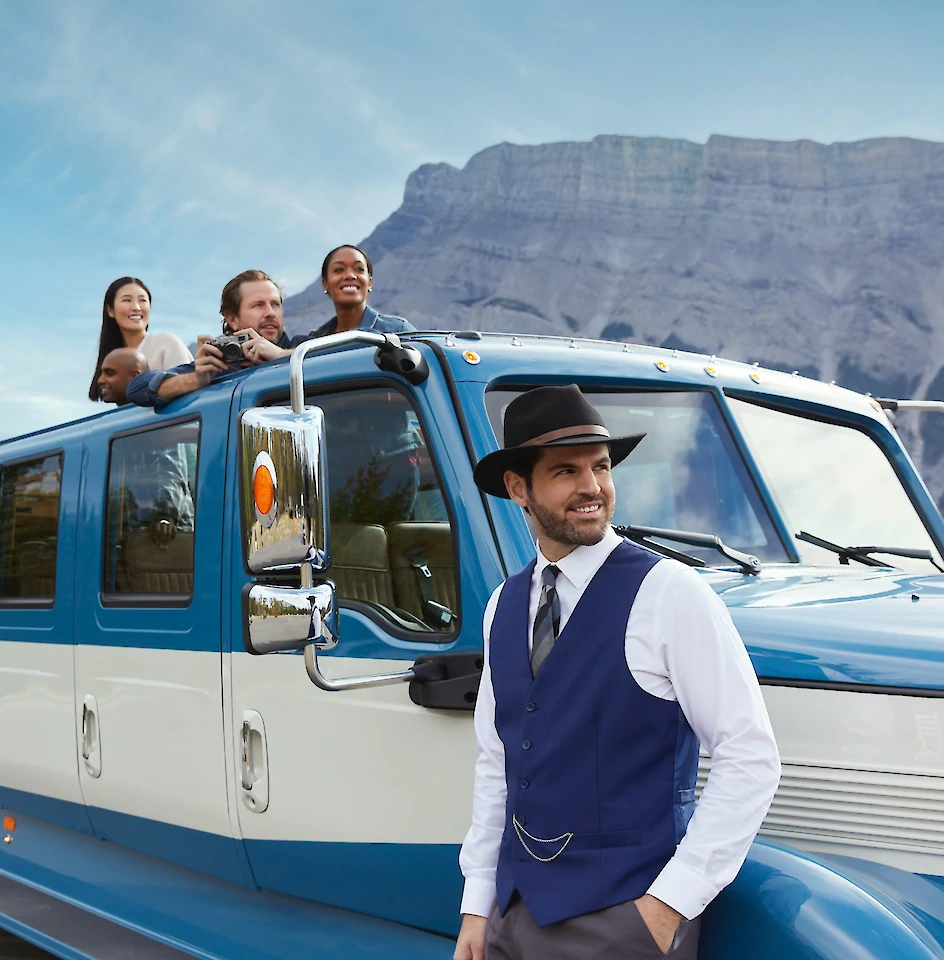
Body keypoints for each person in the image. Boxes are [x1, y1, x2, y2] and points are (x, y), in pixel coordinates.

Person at [455, 384, 780, 960]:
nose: (592, 487)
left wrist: (668, 906)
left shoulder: (670, 592)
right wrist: (478, 905)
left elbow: (749, 753)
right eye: (564, 471)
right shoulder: (502, 607)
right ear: (517, 488)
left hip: (624, 918)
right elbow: (497, 763)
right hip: (512, 914)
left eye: (600, 466)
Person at [127, 270, 291, 408]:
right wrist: (195, 380)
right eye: (258, 305)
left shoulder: (306, 348)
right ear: (232, 319)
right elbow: (138, 388)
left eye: (275, 304)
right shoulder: (217, 366)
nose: (270, 313)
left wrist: (282, 355)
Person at [87, 277, 192, 402]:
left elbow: (187, 393)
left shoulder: (167, 344)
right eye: (127, 300)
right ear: (110, 310)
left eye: (142, 300)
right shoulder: (113, 358)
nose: (136, 307)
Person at [310, 245, 415, 338]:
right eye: (339, 270)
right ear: (325, 284)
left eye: (359, 269)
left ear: (369, 282)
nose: (350, 275)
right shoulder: (315, 343)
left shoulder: (397, 331)